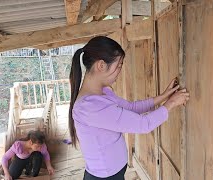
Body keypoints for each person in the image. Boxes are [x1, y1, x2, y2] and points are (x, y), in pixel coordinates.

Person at [68, 36, 190, 180]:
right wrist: (171, 104)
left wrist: (164, 96)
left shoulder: (104, 92)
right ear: (101, 65)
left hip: (113, 174)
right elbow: (143, 124)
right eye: (118, 66)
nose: (119, 71)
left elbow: (131, 108)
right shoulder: (89, 107)